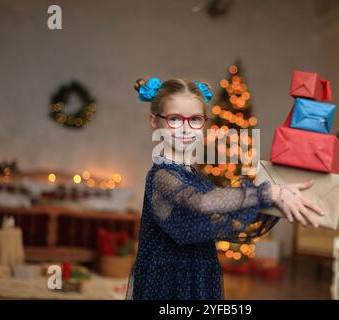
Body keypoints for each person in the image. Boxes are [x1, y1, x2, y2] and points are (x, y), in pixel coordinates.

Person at [126, 78, 324, 300]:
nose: (185, 129)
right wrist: (268, 193)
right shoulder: (163, 175)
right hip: (169, 282)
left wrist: (278, 201)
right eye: (174, 119)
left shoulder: (194, 175)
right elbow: (202, 202)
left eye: (195, 119)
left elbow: (221, 216)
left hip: (199, 274)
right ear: (154, 120)